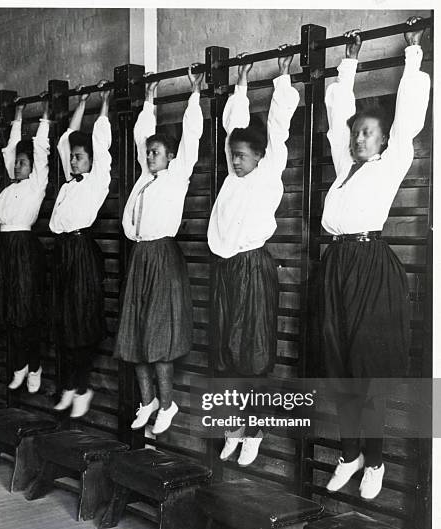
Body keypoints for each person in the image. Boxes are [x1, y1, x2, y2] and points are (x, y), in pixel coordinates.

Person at [321, 17, 430, 500]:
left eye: (369, 134)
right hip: (337, 267)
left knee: (369, 366)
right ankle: (351, 452)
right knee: (338, 362)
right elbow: (336, 117)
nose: (360, 139)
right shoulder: (345, 168)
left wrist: (412, 56)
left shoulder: (392, 162)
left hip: (371, 268)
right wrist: (348, 63)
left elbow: (408, 118)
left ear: (384, 140)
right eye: (358, 134)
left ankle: (377, 458)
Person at [208, 47, 299, 466]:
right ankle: (234, 425)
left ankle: (255, 428)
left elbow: (277, 129)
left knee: (254, 353)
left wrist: (283, 78)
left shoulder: (267, 172)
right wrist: (240, 85)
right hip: (228, 271)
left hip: (254, 270)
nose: (235, 162)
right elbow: (232, 128)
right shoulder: (231, 180)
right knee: (227, 352)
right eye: (232, 157)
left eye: (241, 157)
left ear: (259, 158)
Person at [115, 66, 204, 435]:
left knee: (158, 337)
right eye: (148, 152)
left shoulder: (176, 176)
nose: (150, 156)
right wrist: (148, 101)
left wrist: (194, 95)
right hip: (140, 258)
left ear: (170, 157)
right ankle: (147, 399)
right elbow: (140, 136)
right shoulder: (143, 179)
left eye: (156, 152)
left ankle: (168, 403)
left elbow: (192, 138)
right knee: (133, 336)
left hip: (163, 258)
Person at [50, 81, 112, 418]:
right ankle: (70, 386)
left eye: (79, 157)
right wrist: (82, 102)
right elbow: (64, 140)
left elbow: (100, 144)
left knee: (81, 322)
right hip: (61, 254)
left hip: (81, 254)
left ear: (90, 161)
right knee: (62, 322)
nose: (73, 161)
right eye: (72, 158)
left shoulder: (97, 181)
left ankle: (83, 387)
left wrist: (103, 104)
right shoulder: (67, 183)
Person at [0, 96, 50, 393]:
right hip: (4, 250)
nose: (16, 166)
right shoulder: (8, 189)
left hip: (24, 250)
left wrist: (44, 119)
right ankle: (19, 364)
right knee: (8, 310)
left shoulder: (36, 185)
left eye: (22, 163)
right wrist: (16, 118)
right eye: (16, 163)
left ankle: (35, 364)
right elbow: (8, 152)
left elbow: (40, 153)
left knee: (26, 311)